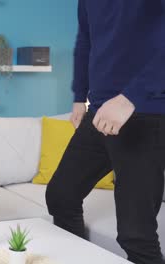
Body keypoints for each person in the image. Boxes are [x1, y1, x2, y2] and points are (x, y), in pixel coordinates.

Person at [46, 1, 165, 263]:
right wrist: (79, 95)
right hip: (98, 111)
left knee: (136, 235)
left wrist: (131, 97)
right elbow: (86, 41)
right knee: (60, 196)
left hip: (145, 114)